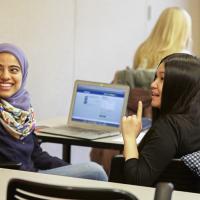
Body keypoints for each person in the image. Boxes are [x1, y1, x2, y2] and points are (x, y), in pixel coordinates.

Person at [90, 6, 193, 175]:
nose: (154, 83)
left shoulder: (143, 49)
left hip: (131, 116)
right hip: (153, 120)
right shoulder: (182, 59)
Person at [0, 43, 108, 181]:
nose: (5, 76)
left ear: (23, 74)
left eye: (13, 70)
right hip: (16, 182)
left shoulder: (23, 112)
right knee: (95, 172)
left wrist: (69, 169)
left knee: (90, 171)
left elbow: (37, 156)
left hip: (30, 175)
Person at [122, 53, 200, 186]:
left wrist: (129, 137)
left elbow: (136, 181)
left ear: (180, 85)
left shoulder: (170, 127)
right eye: (155, 77)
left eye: (162, 79)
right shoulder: (191, 124)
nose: (153, 84)